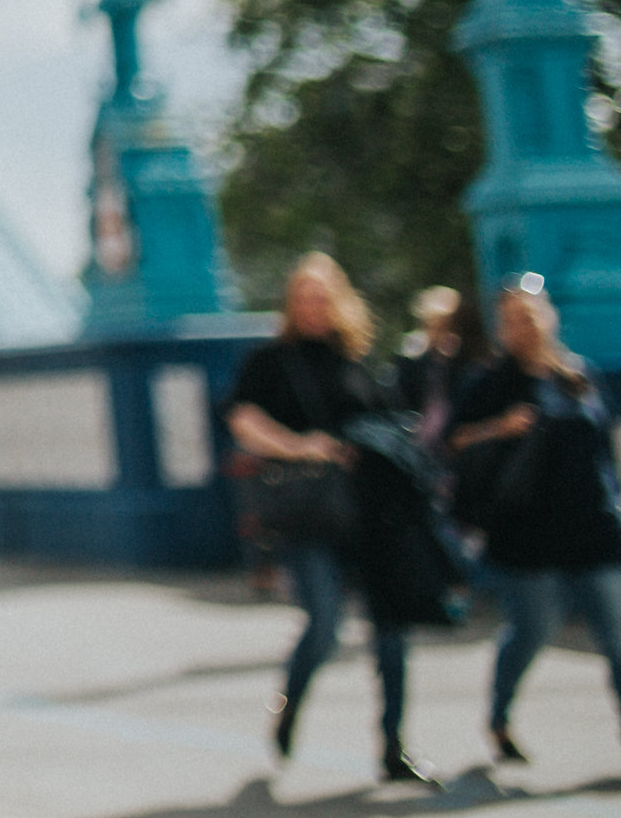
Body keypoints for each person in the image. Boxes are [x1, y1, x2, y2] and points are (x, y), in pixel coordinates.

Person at [228, 251, 444, 786]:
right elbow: (243, 420)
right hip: (311, 515)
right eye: (302, 297)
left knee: (390, 633)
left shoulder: (358, 362)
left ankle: (393, 747)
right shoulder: (271, 362)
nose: (312, 307)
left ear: (340, 300)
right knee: (324, 625)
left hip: (372, 514)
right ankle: (290, 704)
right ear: (289, 304)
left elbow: (390, 429)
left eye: (322, 296)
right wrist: (301, 447)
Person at [450, 275, 621, 769]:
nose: (523, 327)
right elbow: (451, 444)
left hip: (593, 527)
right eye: (511, 319)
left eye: (530, 315)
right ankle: (500, 717)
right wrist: (497, 428)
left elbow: (604, 449)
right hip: (525, 535)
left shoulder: (576, 376)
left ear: (549, 317)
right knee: (533, 630)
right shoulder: (489, 384)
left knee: (616, 636)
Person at [396, 287, 479, 451]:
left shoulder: (468, 364)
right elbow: (403, 404)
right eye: (435, 325)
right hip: (420, 440)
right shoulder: (411, 363)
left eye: (448, 325)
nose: (442, 332)